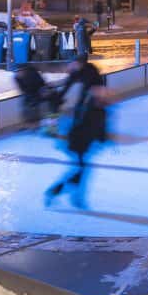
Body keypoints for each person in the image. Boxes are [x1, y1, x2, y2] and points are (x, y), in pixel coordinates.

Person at [45, 62, 108, 208]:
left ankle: (68, 194)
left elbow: (96, 116)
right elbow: (94, 116)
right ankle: (61, 192)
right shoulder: (85, 88)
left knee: (82, 167)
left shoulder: (81, 87)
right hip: (77, 134)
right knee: (82, 167)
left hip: (79, 133)